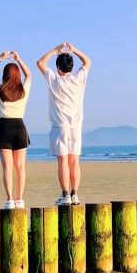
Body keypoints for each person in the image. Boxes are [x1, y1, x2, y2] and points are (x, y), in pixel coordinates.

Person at [36, 42, 91, 206]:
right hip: (76, 125)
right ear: (71, 67)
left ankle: (65, 194)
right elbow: (87, 61)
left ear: (58, 67)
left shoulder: (55, 80)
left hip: (60, 126)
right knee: (74, 160)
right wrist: (74, 50)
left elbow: (40, 63)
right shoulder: (78, 79)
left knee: (63, 161)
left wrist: (55, 50)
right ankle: (75, 194)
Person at [0, 50, 32, 209]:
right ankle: (20, 198)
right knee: (20, 167)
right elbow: (29, 76)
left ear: (4, 75)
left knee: (7, 167)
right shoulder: (23, 91)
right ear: (18, 76)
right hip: (19, 127)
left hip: (4, 127)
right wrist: (19, 59)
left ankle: (10, 199)